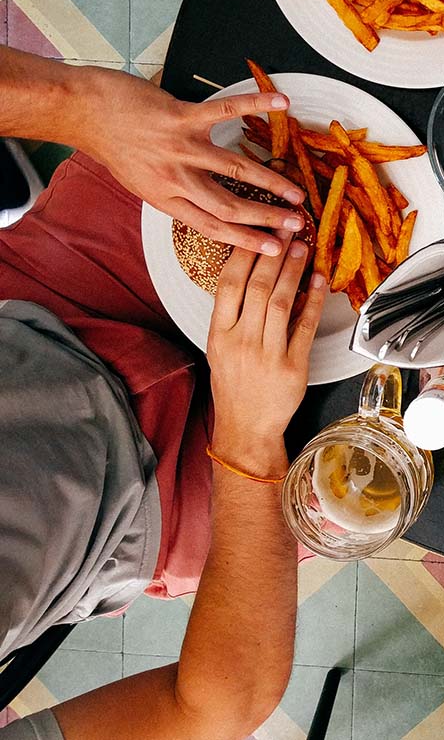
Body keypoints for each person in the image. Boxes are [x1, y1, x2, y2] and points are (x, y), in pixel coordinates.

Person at [0, 48, 325, 736]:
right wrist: (248, 442)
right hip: (161, 512)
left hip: (37, 296)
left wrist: (75, 105)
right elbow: (210, 710)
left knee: (281, 88)